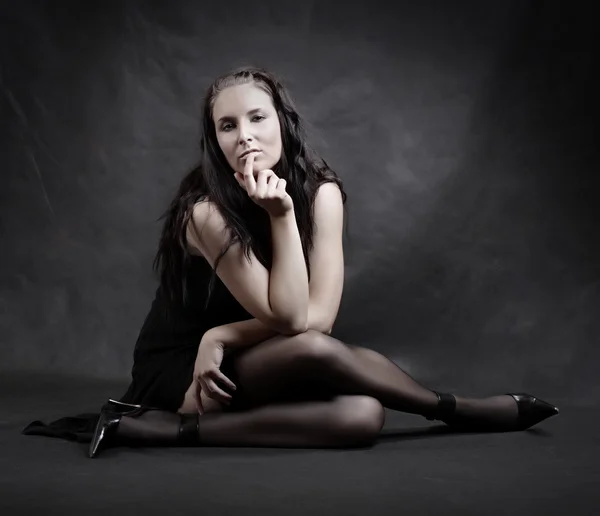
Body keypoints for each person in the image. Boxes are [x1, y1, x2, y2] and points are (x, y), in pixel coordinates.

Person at [22, 66, 559, 458]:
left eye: (257, 117)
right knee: (314, 353)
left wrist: (225, 336)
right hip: (184, 368)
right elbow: (291, 322)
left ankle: (155, 431)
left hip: (251, 351)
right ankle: (457, 409)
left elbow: (317, 321)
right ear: (215, 142)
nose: (245, 135)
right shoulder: (205, 213)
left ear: (283, 121)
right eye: (227, 126)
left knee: (364, 415)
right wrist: (278, 216)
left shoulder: (322, 193)